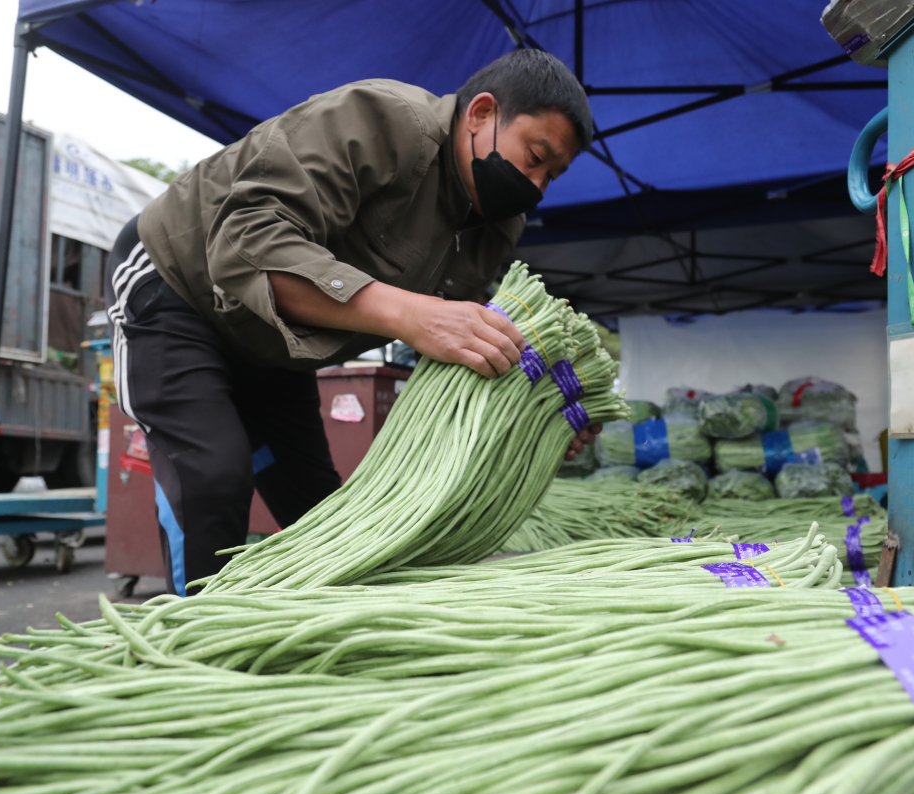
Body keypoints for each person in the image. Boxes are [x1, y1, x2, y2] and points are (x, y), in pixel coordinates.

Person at [104, 50, 598, 595]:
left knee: (319, 509)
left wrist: (540, 413)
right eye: (534, 156)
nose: (536, 184)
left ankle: (303, 646)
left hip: (275, 343)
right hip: (179, 286)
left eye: (552, 175)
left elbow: (463, 337)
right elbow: (247, 242)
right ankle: (190, 652)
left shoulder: (495, 228)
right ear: (480, 113)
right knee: (215, 476)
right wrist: (412, 313)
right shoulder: (382, 120)